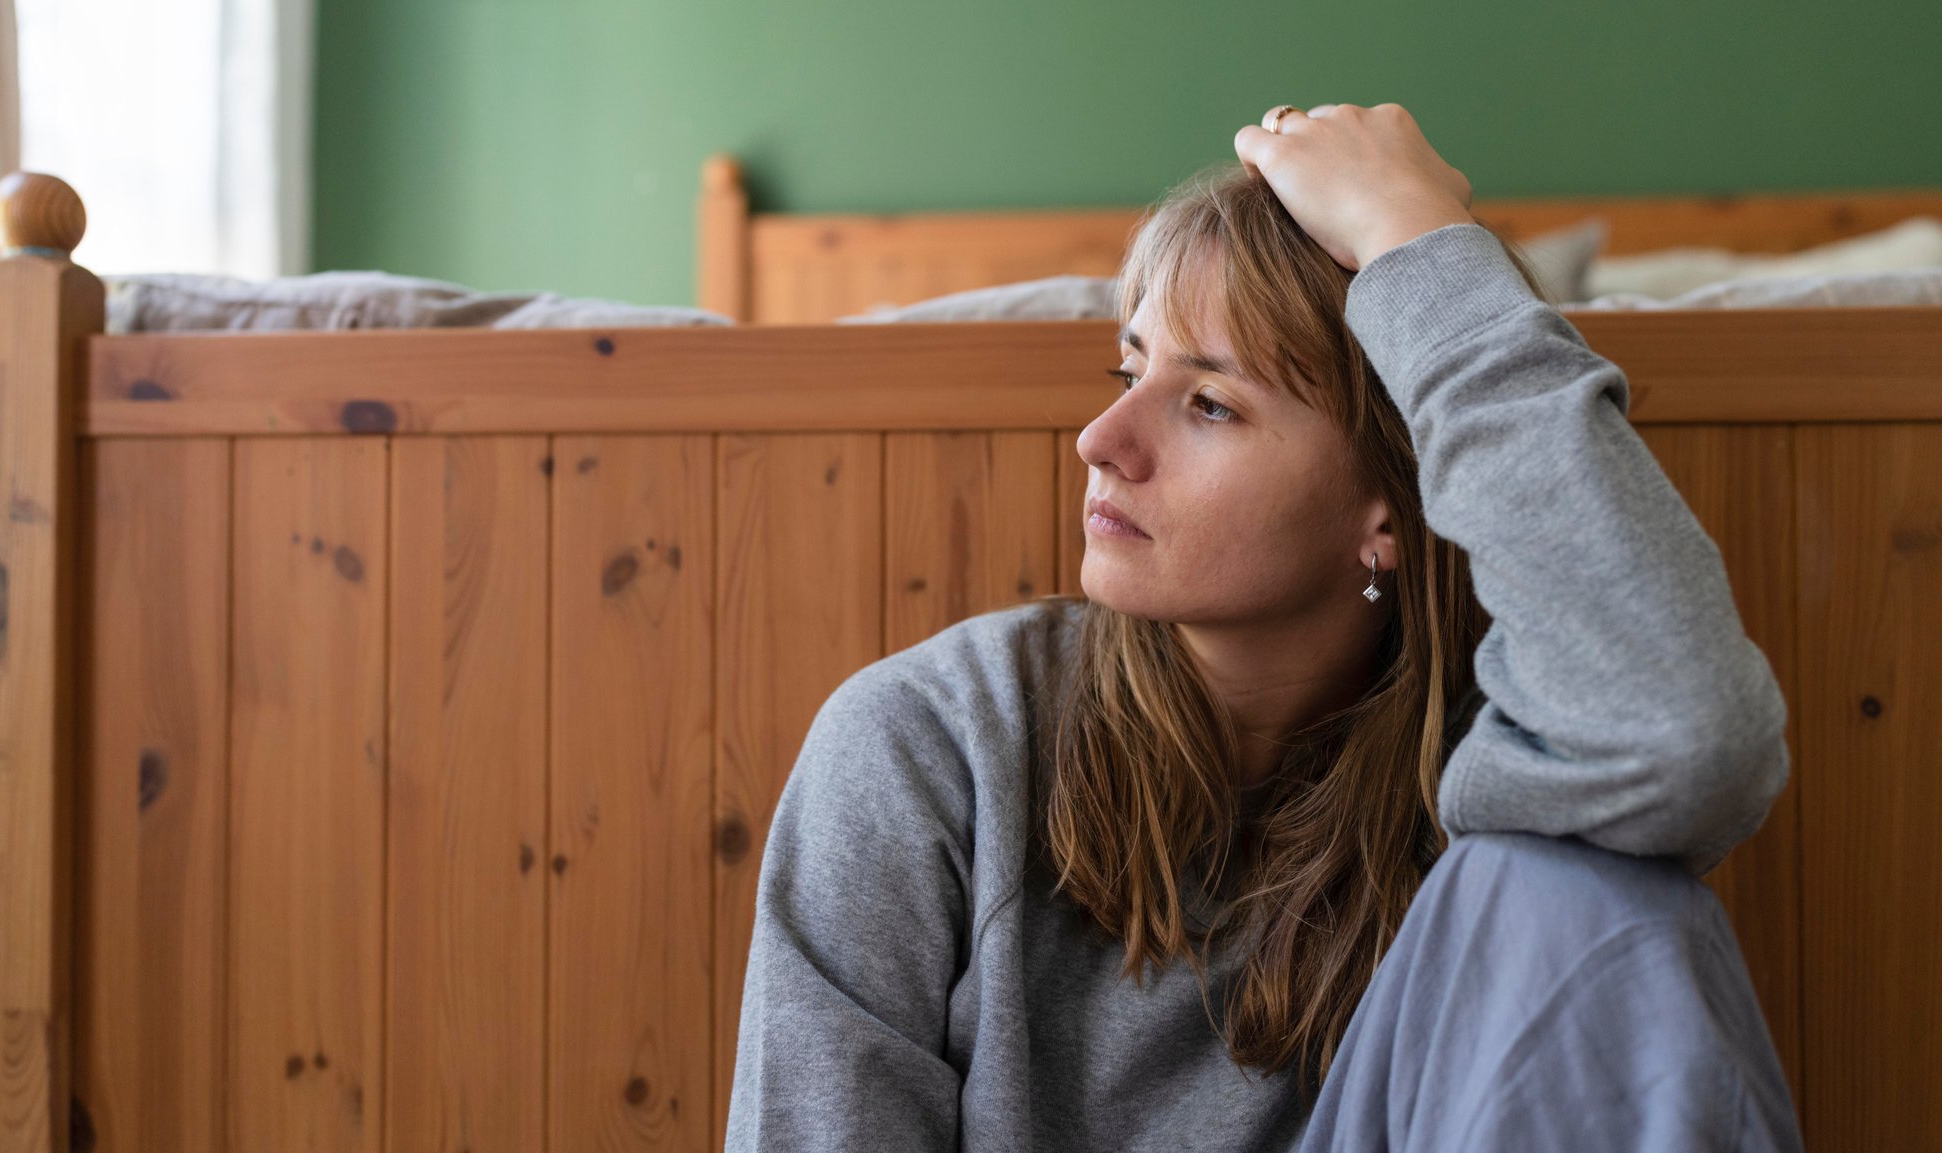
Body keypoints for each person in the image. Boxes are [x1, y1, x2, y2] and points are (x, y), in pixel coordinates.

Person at [725, 103, 1801, 1152]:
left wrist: (1414, 240)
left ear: (1387, 509)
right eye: (1126, 367)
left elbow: (1687, 735)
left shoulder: (1506, 755)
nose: (1100, 438)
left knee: (1592, 894)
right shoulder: (933, 745)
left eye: (1208, 406)